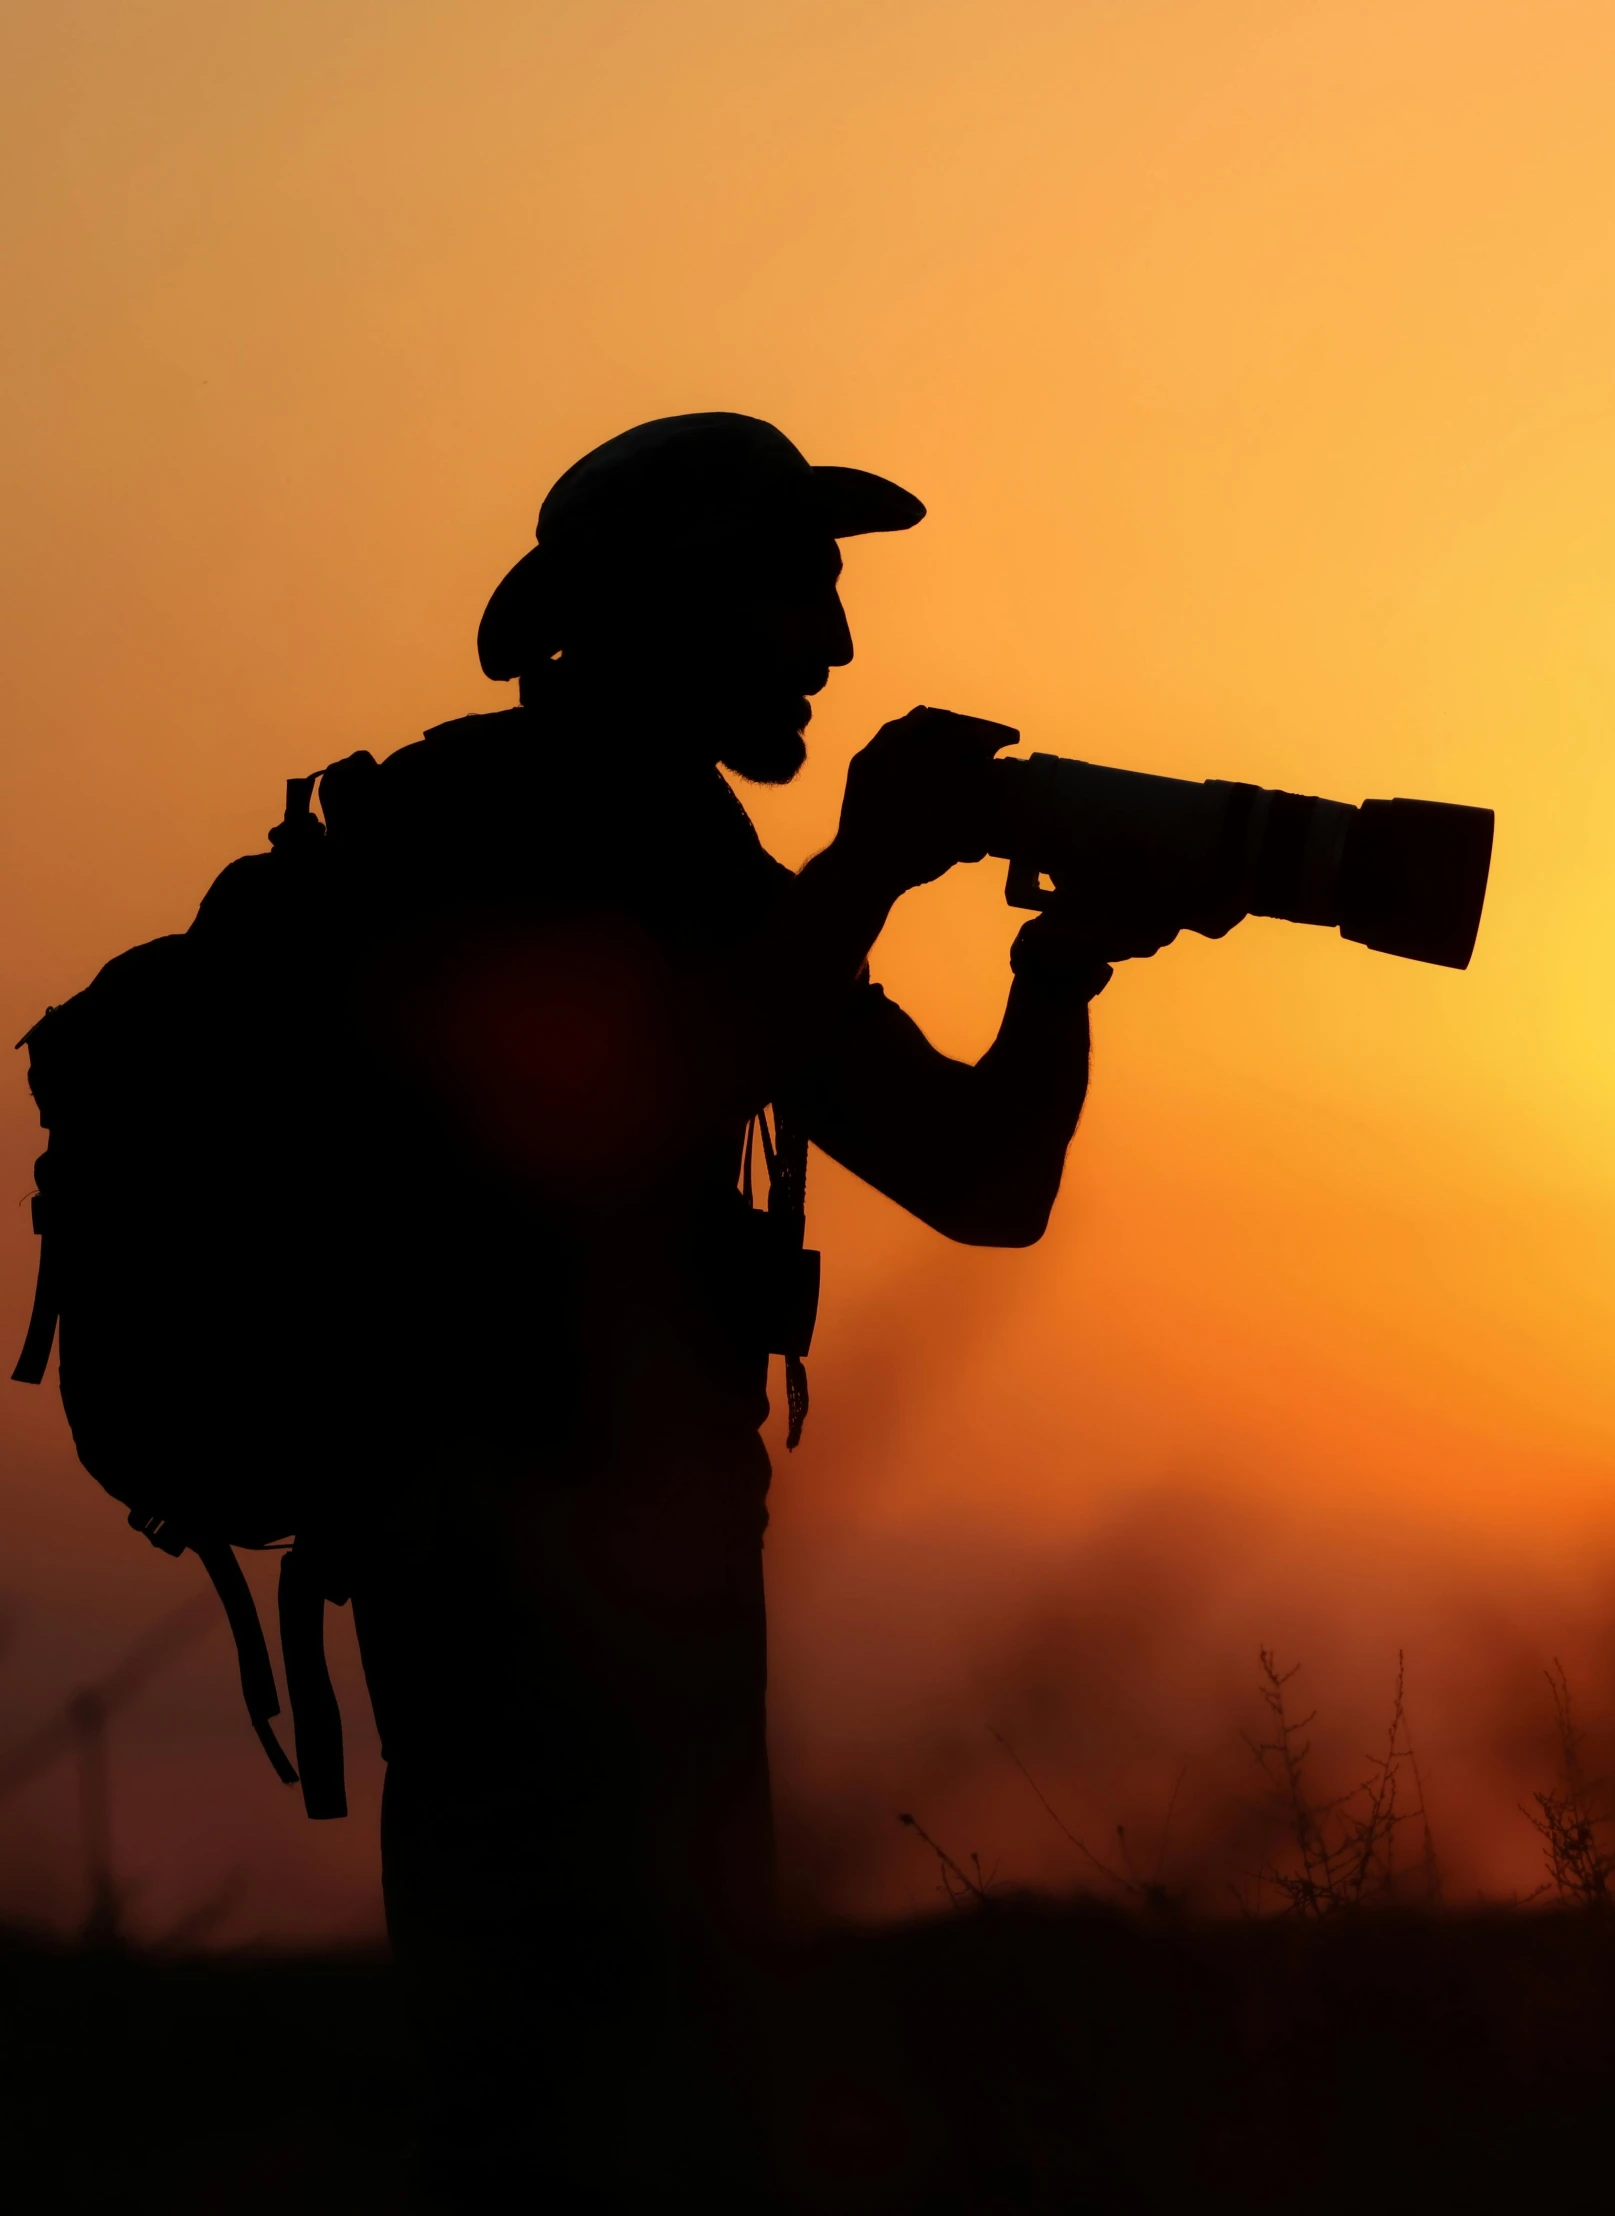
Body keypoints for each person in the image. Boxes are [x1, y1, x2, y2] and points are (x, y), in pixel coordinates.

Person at [338, 413, 1177, 2208]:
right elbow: (612, 1114)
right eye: (797, 591)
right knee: (554, 2105)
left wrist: (1060, 964)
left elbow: (980, 1182)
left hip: (642, 1560)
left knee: (653, 2088)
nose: (836, 645)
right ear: (677, 607)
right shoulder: (511, 827)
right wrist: (866, 869)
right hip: (501, 1558)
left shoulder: (707, 864)